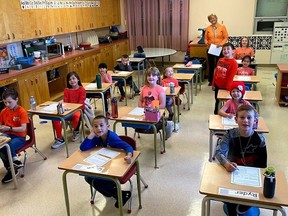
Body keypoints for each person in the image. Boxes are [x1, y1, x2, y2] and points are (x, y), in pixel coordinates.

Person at [215, 105, 267, 216]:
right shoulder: (229, 135)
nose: (245, 121)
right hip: (232, 171)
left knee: (254, 195)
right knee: (226, 193)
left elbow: (263, 164)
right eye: (242, 117)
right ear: (236, 119)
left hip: (251, 175)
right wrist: (226, 163)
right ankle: (232, 209)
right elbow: (219, 153)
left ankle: (244, 205)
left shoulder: (260, 139)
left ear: (255, 121)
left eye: (249, 118)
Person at [80, 115, 133, 208]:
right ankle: (111, 192)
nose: (98, 128)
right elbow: (83, 148)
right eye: (95, 126)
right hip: (104, 164)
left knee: (96, 181)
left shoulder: (112, 137)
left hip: (117, 167)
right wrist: (91, 134)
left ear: (108, 126)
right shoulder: (97, 136)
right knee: (88, 178)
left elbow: (128, 146)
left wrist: (128, 155)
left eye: (101, 125)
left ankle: (121, 194)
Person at [0, 88, 29, 183]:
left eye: (9, 102)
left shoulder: (22, 111)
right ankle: (13, 165)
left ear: (16, 99)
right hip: (7, 134)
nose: (7, 105)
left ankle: (12, 167)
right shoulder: (3, 112)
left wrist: (8, 128)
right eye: (5, 102)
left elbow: (23, 129)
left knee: (7, 146)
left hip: (19, 137)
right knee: (1, 146)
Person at [51, 71, 86, 149]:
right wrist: (67, 108)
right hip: (68, 109)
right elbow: (65, 102)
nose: (72, 81)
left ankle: (76, 131)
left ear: (78, 80)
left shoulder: (82, 90)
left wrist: (72, 109)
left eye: (73, 78)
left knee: (76, 116)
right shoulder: (66, 90)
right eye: (70, 79)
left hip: (79, 109)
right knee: (55, 118)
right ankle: (60, 138)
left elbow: (80, 103)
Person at [212, 42, 238, 115]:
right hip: (217, 85)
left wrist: (228, 90)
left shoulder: (234, 63)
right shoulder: (220, 60)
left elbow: (230, 77)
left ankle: (224, 114)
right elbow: (216, 72)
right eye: (224, 49)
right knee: (217, 101)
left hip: (225, 87)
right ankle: (216, 114)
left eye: (228, 49)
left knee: (226, 103)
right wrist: (213, 84)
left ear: (233, 51)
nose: (225, 51)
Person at [204, 13, 228, 86]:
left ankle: (218, 80)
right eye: (211, 19)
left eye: (214, 18)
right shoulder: (208, 28)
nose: (212, 20)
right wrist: (206, 42)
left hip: (219, 48)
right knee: (211, 65)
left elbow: (226, 37)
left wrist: (221, 44)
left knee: (219, 65)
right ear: (209, 20)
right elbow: (205, 38)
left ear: (216, 19)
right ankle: (211, 80)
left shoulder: (222, 27)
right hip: (211, 48)